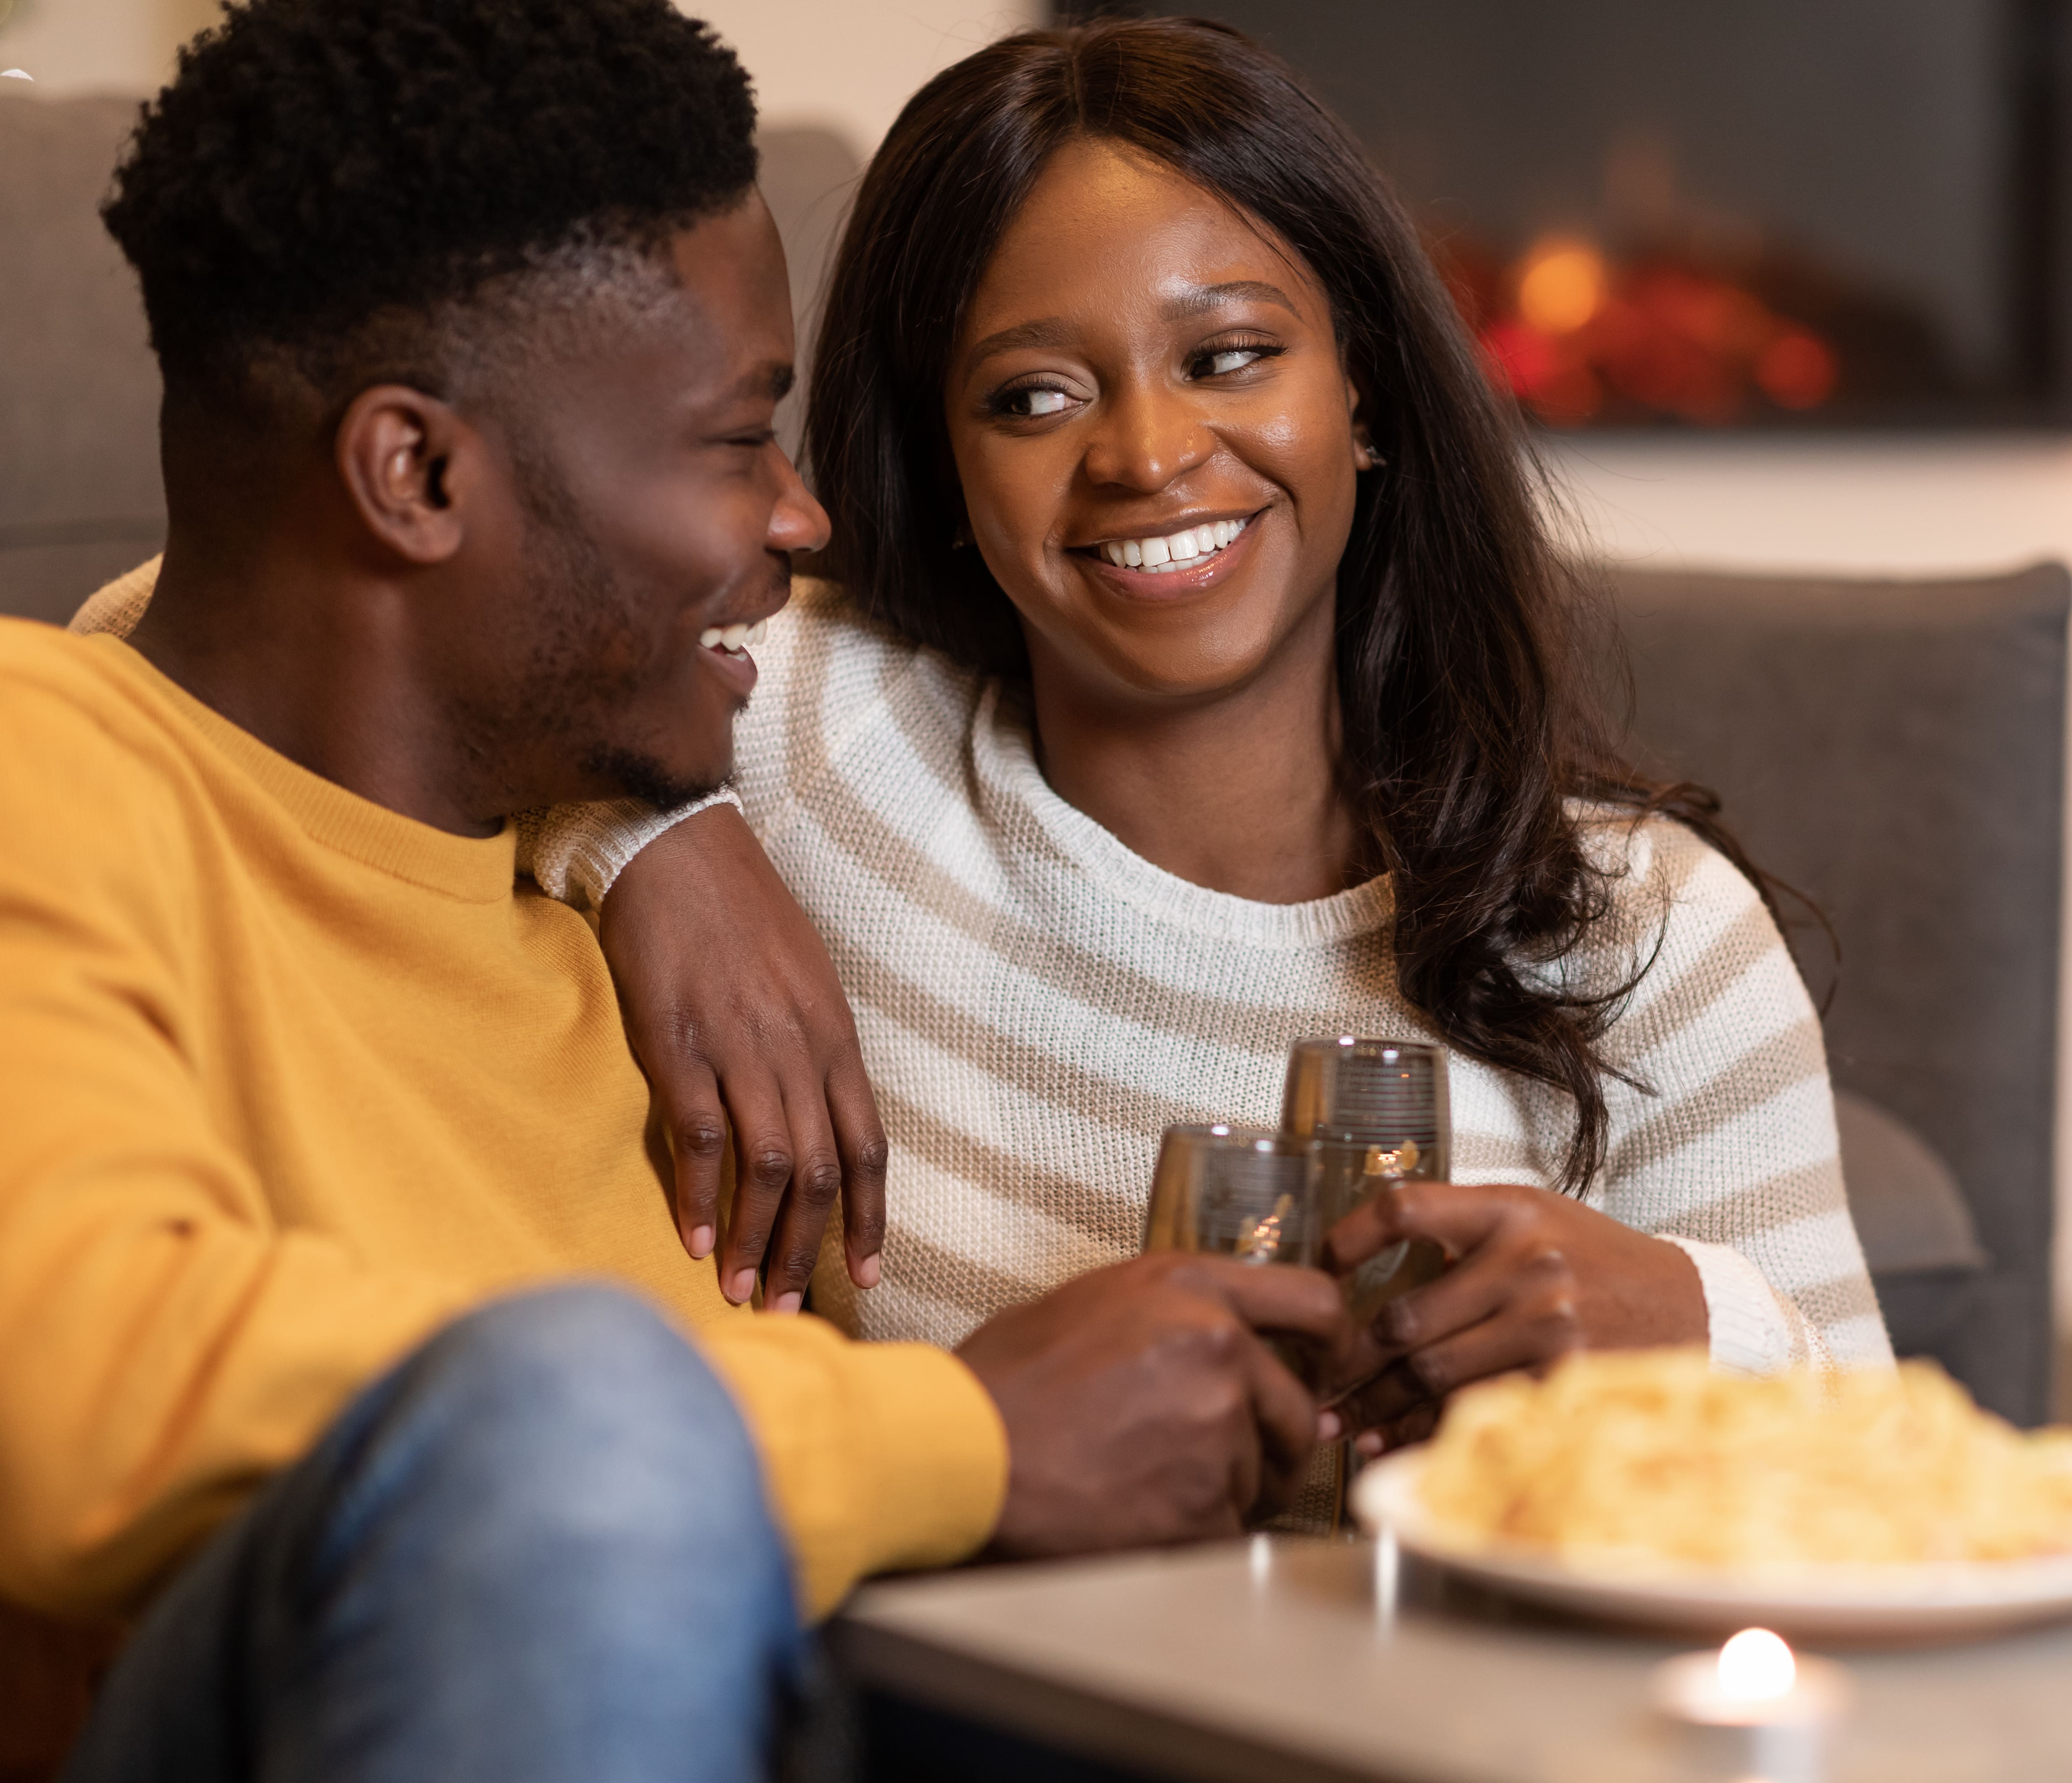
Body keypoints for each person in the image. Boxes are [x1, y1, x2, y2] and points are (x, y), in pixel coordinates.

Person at [2, 4, 1343, 1775]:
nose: (801, 521)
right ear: (419, 476)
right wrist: (960, 1435)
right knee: (581, 1398)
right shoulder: (50, 771)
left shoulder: (622, 925)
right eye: (733, 440)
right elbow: (76, 1385)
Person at [504, 14, 1894, 1452]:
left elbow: (1898, 1508)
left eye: (1229, 357)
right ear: (947, 465)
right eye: (1034, 395)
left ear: (1365, 395)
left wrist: (1695, 1329)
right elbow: (441, 665)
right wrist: (671, 831)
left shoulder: (1654, 938)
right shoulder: (798, 729)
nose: (1149, 455)